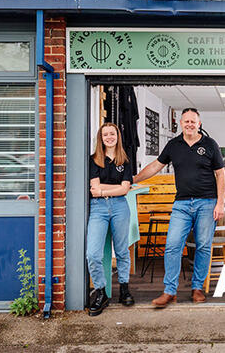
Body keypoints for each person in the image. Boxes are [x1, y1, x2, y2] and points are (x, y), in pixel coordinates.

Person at [133, 108, 225, 306]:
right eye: (186, 121)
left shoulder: (210, 144)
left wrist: (219, 203)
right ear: (181, 124)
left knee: (203, 246)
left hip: (207, 203)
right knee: (172, 246)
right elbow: (155, 167)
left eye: (193, 121)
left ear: (199, 124)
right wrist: (133, 179)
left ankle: (197, 288)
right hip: (182, 204)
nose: (190, 124)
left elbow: (221, 175)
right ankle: (170, 291)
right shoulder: (173, 145)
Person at [86, 123, 135, 316]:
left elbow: (125, 189)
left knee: (122, 250)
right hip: (98, 209)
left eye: (112, 133)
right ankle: (101, 292)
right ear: (101, 138)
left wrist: (104, 190)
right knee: (93, 254)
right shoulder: (94, 160)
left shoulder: (125, 160)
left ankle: (124, 289)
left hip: (120, 207)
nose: (109, 137)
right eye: (105, 134)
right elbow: (94, 189)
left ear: (117, 136)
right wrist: (113, 188)